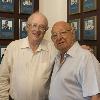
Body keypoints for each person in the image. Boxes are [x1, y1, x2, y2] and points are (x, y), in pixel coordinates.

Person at [0, 12, 57, 100]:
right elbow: (2, 77)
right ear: (27, 27)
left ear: (46, 30)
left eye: (42, 27)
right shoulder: (13, 47)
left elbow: (66, 55)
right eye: (34, 25)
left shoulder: (52, 49)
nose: (37, 30)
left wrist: (80, 50)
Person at [49, 21, 100, 100]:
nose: (58, 38)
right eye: (54, 35)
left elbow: (95, 96)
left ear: (72, 34)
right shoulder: (57, 58)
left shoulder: (85, 57)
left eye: (62, 32)